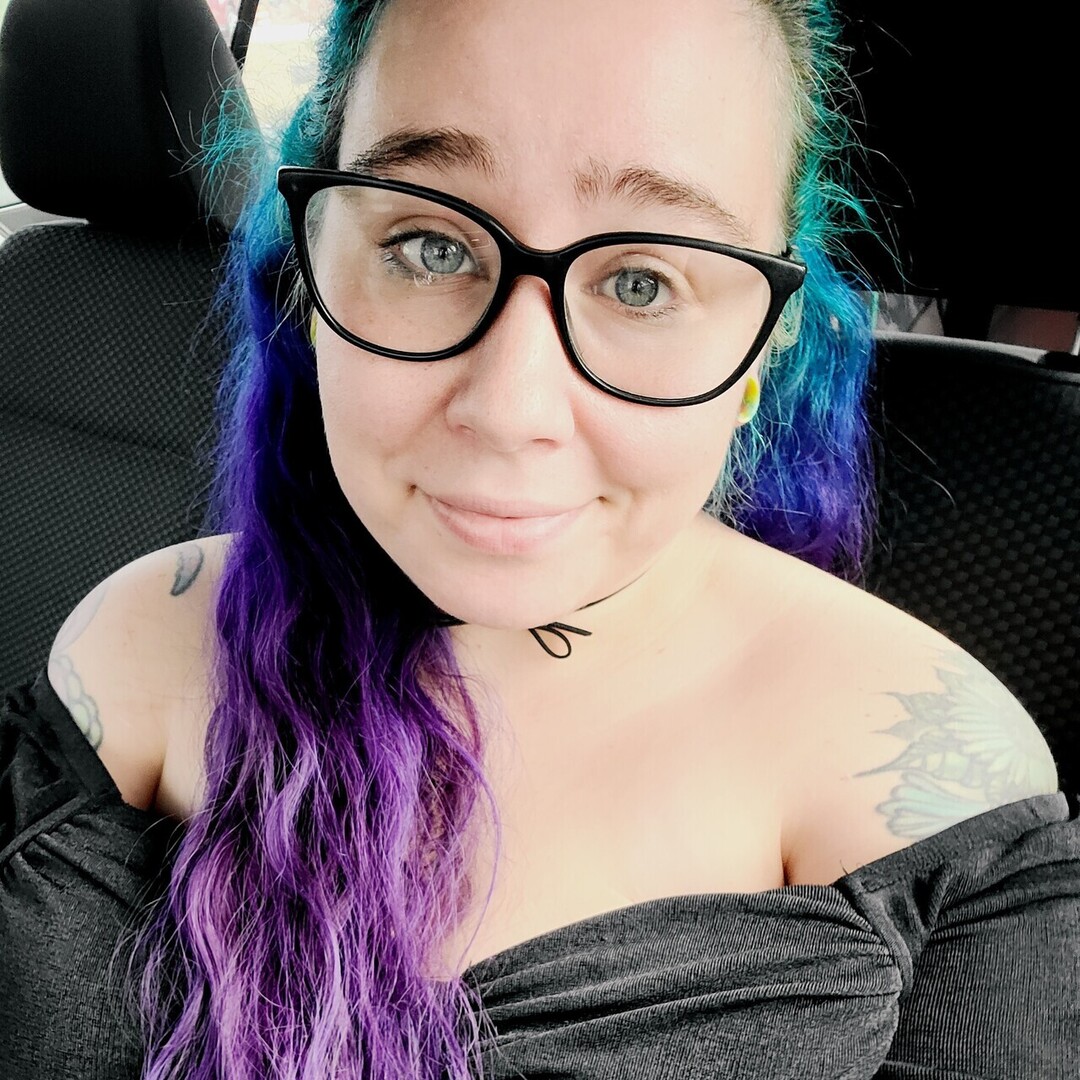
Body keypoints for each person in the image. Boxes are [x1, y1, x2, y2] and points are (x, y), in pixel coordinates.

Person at [2, 0, 1078, 1077]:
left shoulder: (938, 784)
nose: (511, 409)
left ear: (763, 344)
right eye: (428, 246)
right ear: (311, 272)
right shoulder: (132, 655)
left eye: (643, 283)